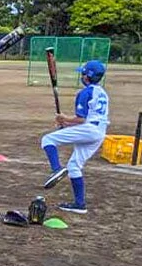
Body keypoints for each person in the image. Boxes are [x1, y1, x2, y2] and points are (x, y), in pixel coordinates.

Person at [40, 60, 109, 214]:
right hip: (98, 133)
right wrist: (66, 124)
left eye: (83, 73)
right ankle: (80, 204)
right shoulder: (102, 92)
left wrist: (64, 118)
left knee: (48, 140)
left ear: (87, 77)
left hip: (89, 129)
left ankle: (56, 168)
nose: (81, 76)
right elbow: (89, 119)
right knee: (74, 166)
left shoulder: (85, 93)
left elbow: (81, 119)